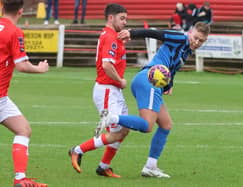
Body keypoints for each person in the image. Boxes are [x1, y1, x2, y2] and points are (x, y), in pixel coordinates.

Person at [116, 22, 210, 178]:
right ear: (190, 32)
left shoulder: (187, 51)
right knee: (147, 125)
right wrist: (132, 33)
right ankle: (111, 117)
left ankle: (150, 166)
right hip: (148, 80)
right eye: (195, 38)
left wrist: (169, 84)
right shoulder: (180, 38)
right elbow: (156, 33)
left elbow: (171, 68)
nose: (196, 42)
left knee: (166, 125)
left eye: (201, 41)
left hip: (155, 84)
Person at [68, 3, 148, 178]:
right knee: (115, 134)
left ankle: (104, 166)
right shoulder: (110, 37)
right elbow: (106, 65)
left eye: (126, 18)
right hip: (107, 90)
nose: (125, 22)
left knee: (124, 130)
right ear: (111, 18)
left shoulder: (113, 36)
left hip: (113, 91)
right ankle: (77, 150)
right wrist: (120, 80)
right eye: (122, 18)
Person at [0, 0, 49, 186]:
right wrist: (40, 68)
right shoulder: (15, 32)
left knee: (23, 129)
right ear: (21, 12)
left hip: (2, 98)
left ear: (2, 7)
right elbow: (21, 65)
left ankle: (20, 179)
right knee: (23, 130)